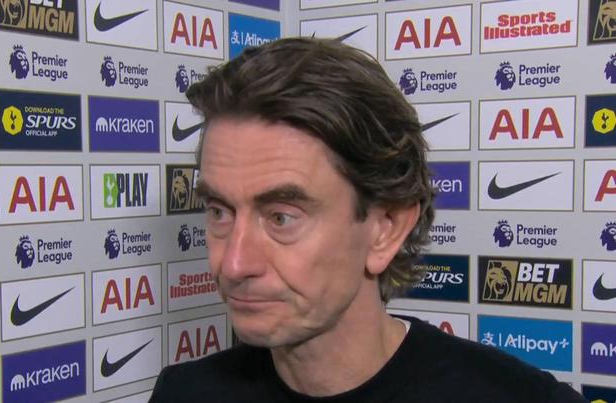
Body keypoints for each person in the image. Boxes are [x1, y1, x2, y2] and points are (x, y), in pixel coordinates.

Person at [150, 38, 587, 403]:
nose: (233, 264)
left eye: (281, 217)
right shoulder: (184, 393)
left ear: (386, 228)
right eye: (219, 212)